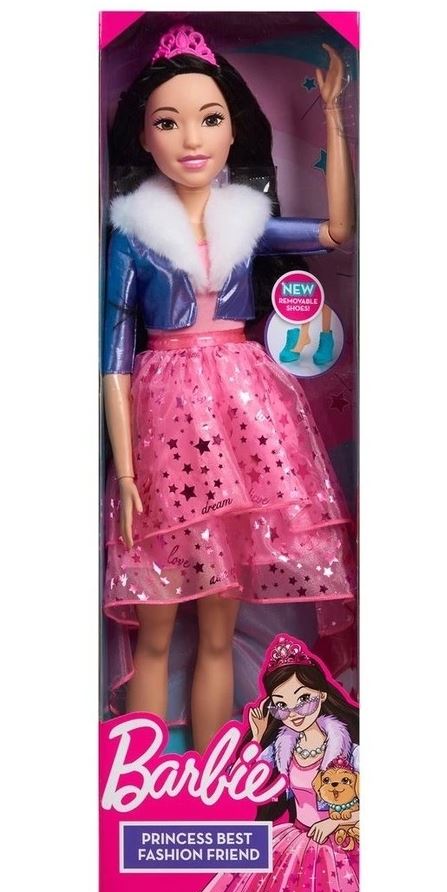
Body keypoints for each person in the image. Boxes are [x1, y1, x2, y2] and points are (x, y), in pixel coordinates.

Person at [102, 23, 356, 751]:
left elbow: (336, 231)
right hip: (162, 425)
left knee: (219, 623)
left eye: (209, 119)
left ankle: (215, 779)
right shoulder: (133, 234)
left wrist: (332, 118)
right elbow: (112, 356)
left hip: (244, 416)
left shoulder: (248, 220)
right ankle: (146, 773)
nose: (191, 139)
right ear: (142, 136)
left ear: (233, 128)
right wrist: (126, 472)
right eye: (168, 122)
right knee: (155, 620)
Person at [181, 634, 359, 892]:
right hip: (294, 842)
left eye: (303, 700)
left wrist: (334, 822)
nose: (294, 713)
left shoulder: (348, 748)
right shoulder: (281, 749)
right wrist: (257, 737)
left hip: (341, 844)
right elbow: (235, 783)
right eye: (281, 705)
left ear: (322, 694)